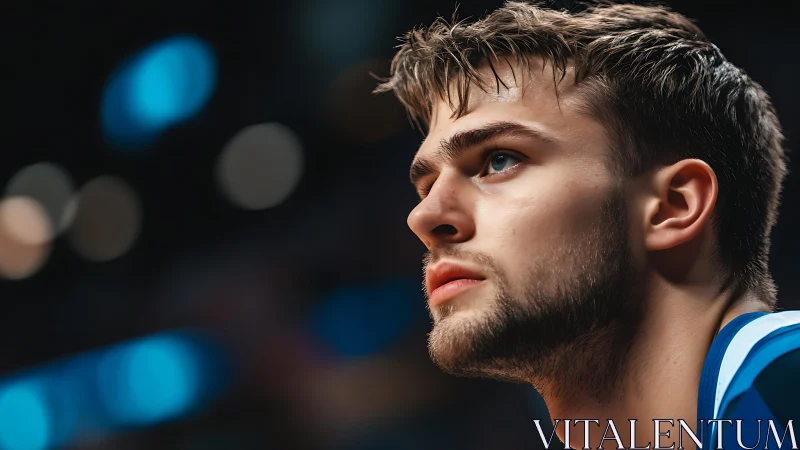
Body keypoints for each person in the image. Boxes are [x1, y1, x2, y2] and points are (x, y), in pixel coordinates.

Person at [375, 1, 798, 449]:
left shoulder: (783, 380)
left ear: (673, 206)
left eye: (499, 161)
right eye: (427, 185)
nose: (423, 217)